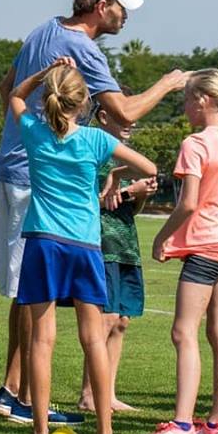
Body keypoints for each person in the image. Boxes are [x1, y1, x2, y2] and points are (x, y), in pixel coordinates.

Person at [0, 0, 187, 425]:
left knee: (27, 292)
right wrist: (167, 83)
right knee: (39, 303)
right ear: (100, 6)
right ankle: (18, 397)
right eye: (121, 7)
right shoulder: (84, 48)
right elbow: (124, 110)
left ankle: (12, 389)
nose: (124, 16)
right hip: (39, 188)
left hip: (18, 167)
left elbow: (8, 89)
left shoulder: (44, 30)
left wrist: (31, 135)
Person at [9, 58, 157, 434]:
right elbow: (150, 166)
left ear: (51, 97)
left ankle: (40, 433)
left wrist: (44, 74)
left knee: (42, 340)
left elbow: (16, 95)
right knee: (93, 339)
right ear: (84, 100)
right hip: (85, 244)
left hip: (43, 241)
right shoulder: (97, 140)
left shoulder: (35, 132)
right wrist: (112, 175)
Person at [136, 69, 218, 434]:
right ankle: (216, 426)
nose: (185, 106)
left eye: (188, 98)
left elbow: (188, 203)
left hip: (206, 246)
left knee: (183, 332)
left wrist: (163, 236)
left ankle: (182, 426)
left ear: (204, 100)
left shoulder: (196, 143)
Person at [77, 97, 157, 413]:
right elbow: (89, 201)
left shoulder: (126, 158)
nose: (132, 121)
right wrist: (126, 190)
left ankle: (106, 394)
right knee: (105, 319)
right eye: (126, 115)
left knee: (121, 321)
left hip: (125, 244)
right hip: (102, 244)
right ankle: (88, 394)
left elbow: (126, 208)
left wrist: (137, 197)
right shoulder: (96, 151)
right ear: (105, 116)